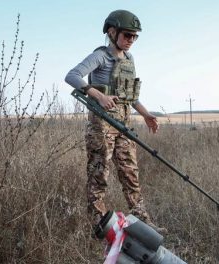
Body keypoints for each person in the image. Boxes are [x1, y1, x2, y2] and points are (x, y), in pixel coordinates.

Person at [65, 9, 166, 233]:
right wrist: (98, 96)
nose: (131, 40)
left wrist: (146, 114)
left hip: (123, 125)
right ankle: (99, 223)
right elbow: (72, 75)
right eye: (127, 35)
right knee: (99, 173)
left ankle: (142, 220)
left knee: (130, 172)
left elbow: (130, 96)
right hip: (101, 126)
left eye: (134, 36)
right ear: (112, 32)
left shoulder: (129, 59)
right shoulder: (100, 56)